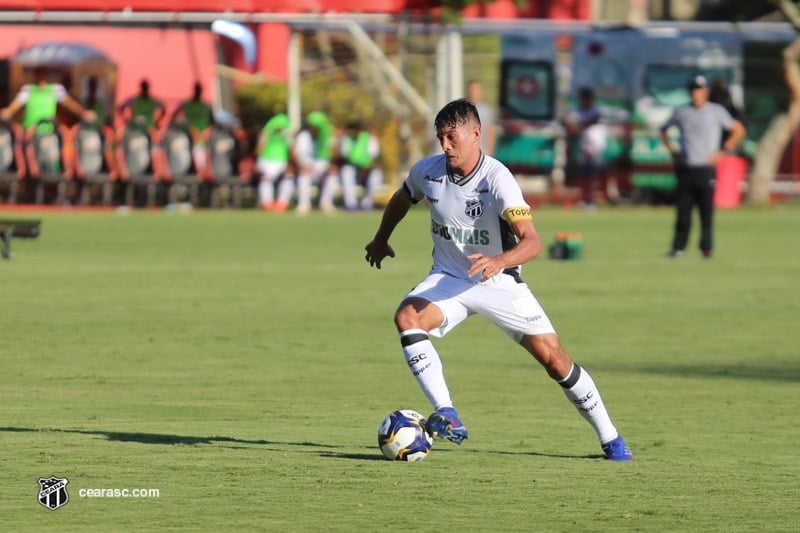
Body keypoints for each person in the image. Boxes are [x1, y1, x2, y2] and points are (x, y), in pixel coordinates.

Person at [363, 98, 632, 461]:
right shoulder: (427, 171)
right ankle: (447, 411)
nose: (445, 145)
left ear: (476, 134)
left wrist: (499, 262)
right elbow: (402, 197)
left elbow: (533, 241)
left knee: (555, 361)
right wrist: (382, 238)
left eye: (452, 136)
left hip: (499, 282)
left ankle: (611, 438)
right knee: (407, 317)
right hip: (449, 279)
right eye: (441, 136)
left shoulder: (498, 178)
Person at [660, 75, 746, 258]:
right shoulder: (682, 112)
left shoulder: (716, 111)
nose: (695, 93)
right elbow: (663, 129)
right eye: (692, 89)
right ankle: (678, 249)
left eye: (698, 89)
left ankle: (706, 248)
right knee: (683, 212)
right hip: (686, 167)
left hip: (706, 168)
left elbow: (738, 130)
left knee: (706, 212)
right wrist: (673, 152)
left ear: (705, 91)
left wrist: (723, 151)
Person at [0, 66, 96, 179]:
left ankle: (64, 173)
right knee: (22, 149)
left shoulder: (55, 89)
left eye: (43, 73)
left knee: (65, 143)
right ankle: (26, 175)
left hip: (50, 130)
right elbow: (15, 106)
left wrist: (83, 113)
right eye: (38, 74)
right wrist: (7, 112)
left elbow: (69, 103)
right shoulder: (28, 89)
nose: (41, 77)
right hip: (31, 131)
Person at [562, 87, 607, 209]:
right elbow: (567, 121)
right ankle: (585, 200)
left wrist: (578, 126)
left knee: (593, 177)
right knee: (584, 176)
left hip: (596, 147)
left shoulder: (595, 109)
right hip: (584, 147)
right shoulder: (577, 110)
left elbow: (592, 120)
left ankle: (591, 201)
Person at [116, 79, 167, 179]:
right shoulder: (134, 99)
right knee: (120, 138)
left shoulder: (153, 100)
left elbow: (163, 109)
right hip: (134, 129)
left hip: (148, 129)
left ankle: (156, 169)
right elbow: (121, 108)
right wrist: (126, 120)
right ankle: (122, 170)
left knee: (156, 142)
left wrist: (157, 122)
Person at [172, 82, 215, 179]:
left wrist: (207, 131)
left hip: (201, 141)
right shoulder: (186, 104)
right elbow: (175, 118)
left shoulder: (206, 105)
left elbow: (212, 123)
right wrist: (188, 128)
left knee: (201, 160)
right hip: (186, 139)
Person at [338, 121, 382, 211]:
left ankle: (367, 204)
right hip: (353, 168)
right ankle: (351, 204)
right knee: (346, 171)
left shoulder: (369, 138)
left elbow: (374, 158)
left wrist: (366, 168)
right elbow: (345, 158)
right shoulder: (346, 139)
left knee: (377, 174)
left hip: (368, 169)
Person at [254, 113, 292, 211]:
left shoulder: (286, 136)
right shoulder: (266, 134)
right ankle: (267, 203)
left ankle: (282, 204)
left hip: (281, 161)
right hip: (266, 161)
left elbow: (290, 150)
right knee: (266, 179)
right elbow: (258, 150)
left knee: (288, 178)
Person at [466, 80, 496, 156]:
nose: (474, 93)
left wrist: (489, 151)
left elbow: (490, 131)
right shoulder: (462, 109)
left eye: (476, 90)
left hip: (482, 152)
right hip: (466, 153)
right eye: (472, 90)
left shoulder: (486, 110)